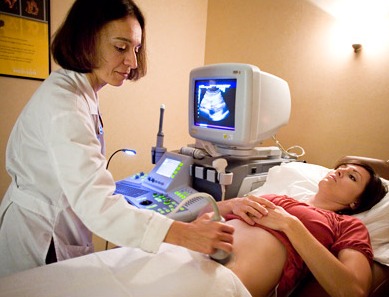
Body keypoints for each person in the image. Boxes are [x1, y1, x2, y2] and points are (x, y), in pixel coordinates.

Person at [0, 0, 234, 278]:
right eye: (120, 47)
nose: (132, 62)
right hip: (39, 235)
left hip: (57, 221)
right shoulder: (64, 104)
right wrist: (187, 235)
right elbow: (96, 205)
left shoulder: (81, 91)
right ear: (86, 39)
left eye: (135, 49)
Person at [208, 160, 387, 297]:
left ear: (356, 202)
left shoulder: (346, 225)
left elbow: (354, 290)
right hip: (192, 252)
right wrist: (233, 203)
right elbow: (201, 211)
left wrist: (290, 225)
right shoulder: (278, 197)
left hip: (224, 282)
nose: (340, 171)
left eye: (352, 176)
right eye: (342, 167)